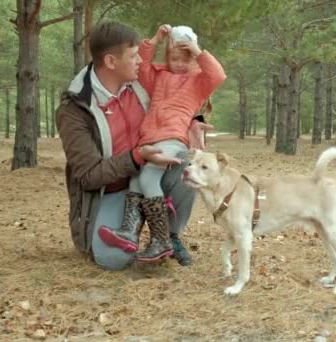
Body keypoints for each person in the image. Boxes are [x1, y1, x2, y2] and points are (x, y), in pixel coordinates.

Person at [55, 21, 211, 269]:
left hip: (154, 172)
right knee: (113, 260)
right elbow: (87, 176)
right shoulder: (75, 109)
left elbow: (174, 104)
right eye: (133, 55)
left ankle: (168, 236)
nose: (140, 61)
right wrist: (137, 157)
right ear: (111, 62)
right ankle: (127, 228)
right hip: (112, 190)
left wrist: (194, 122)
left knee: (188, 166)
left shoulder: (141, 83)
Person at [97, 24, 226, 262]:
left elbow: (218, 75)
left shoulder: (198, 81)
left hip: (173, 137)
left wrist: (198, 51)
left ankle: (162, 239)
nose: (178, 64)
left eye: (184, 59)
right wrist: (154, 40)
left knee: (147, 178)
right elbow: (143, 66)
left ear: (193, 60)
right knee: (137, 180)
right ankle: (129, 232)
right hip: (149, 138)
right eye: (173, 58)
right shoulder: (158, 76)